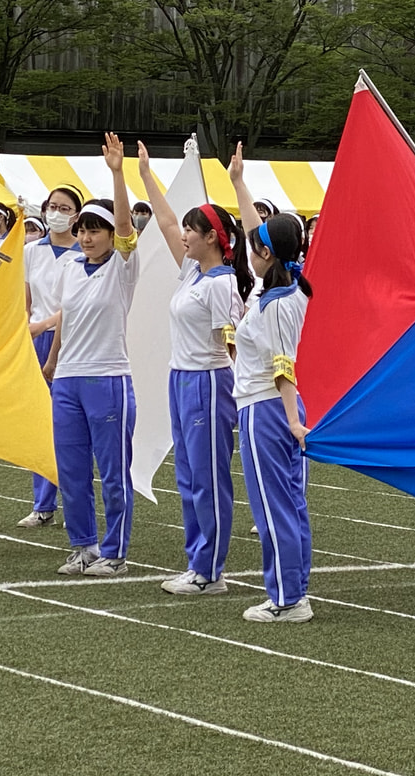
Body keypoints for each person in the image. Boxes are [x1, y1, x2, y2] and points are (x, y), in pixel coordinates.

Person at [138, 141, 252, 596]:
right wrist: (146, 175)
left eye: (193, 229)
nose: (183, 235)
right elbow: (164, 223)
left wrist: (245, 397)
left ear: (213, 238)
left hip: (208, 382)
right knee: (187, 475)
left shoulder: (222, 284)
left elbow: (233, 346)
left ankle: (211, 571)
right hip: (181, 378)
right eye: (185, 228)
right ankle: (196, 561)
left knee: (207, 477)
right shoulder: (193, 273)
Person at [43, 133, 140, 577]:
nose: (85, 236)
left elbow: (125, 229)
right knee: (72, 467)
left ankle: (114, 551)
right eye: (81, 229)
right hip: (68, 380)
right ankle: (82, 545)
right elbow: (65, 316)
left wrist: (117, 173)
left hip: (108, 378)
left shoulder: (121, 267)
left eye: (93, 229)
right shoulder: (69, 268)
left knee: (114, 471)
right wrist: (53, 361)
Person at [229, 142, 314, 622]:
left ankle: (286, 598)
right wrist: (239, 181)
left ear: (266, 252)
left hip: (268, 409)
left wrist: (290, 422)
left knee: (273, 506)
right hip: (269, 407)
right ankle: (293, 589)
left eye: (256, 243)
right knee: (287, 503)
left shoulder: (279, 301)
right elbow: (250, 233)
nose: (249, 246)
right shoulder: (278, 286)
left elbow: (285, 366)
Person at [17, 182, 84, 528]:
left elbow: (73, 305)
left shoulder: (83, 255)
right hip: (36, 340)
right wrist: (27, 331)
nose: (56, 213)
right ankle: (42, 503)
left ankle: (69, 498)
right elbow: (25, 301)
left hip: (72, 341)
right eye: (52, 206)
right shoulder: (32, 251)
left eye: (64, 208)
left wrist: (43, 326)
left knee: (65, 424)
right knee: (38, 419)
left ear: (76, 215)